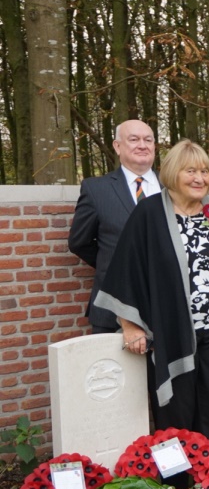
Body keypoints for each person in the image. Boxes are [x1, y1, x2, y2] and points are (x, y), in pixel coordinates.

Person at [94, 140, 209, 451]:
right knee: (174, 415)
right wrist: (129, 324)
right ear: (174, 172)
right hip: (172, 333)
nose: (200, 178)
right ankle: (175, 488)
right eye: (191, 171)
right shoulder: (149, 213)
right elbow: (125, 269)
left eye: (204, 171)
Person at [69, 120, 161, 334]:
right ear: (117, 146)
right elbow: (79, 242)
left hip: (165, 306)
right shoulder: (96, 189)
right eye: (134, 139)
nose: (142, 145)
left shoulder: (172, 186)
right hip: (112, 310)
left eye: (148, 140)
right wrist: (114, 265)